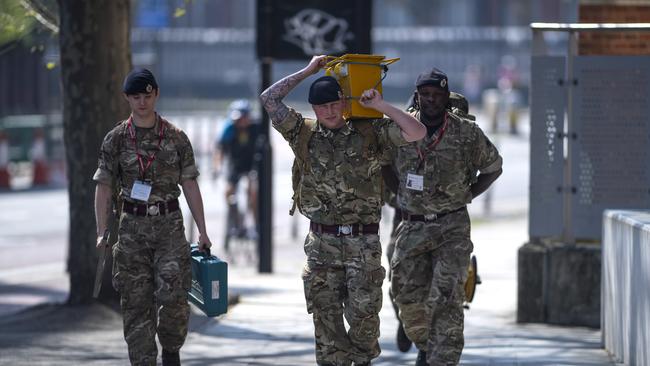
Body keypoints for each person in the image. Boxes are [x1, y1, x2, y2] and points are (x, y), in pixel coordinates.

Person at [260, 55, 426, 366]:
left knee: (364, 325)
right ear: (314, 109)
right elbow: (269, 98)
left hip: (362, 245)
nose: (329, 111)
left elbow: (417, 132)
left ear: (342, 101)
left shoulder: (369, 132)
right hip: (322, 245)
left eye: (334, 104)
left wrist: (381, 107)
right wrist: (309, 70)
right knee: (326, 326)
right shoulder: (303, 133)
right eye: (322, 107)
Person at [93, 68, 212, 366]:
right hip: (132, 229)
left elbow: (190, 184)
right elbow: (104, 187)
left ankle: (171, 349)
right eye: (136, 97)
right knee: (136, 304)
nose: (142, 102)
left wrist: (203, 231)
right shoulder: (116, 139)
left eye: (147, 96)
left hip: (169, 227)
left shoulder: (176, 138)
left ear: (156, 94)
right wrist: (101, 231)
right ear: (127, 98)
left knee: (174, 297)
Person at [389, 68, 502, 366]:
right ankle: (426, 345)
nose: (431, 101)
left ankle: (442, 358)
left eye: (437, 95)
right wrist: (398, 193)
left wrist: (467, 194)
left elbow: (493, 167)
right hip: (412, 224)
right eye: (425, 95)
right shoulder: (399, 128)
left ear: (446, 97)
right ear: (417, 96)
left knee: (446, 298)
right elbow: (381, 161)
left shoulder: (465, 132)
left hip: (451, 226)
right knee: (404, 293)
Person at [212, 99, 260, 224]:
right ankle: (236, 222)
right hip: (235, 164)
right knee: (228, 192)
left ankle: (257, 225)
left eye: (243, 118)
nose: (240, 121)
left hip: (252, 164)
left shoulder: (256, 128)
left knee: (253, 192)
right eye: (237, 119)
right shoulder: (229, 129)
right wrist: (217, 167)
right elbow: (219, 150)